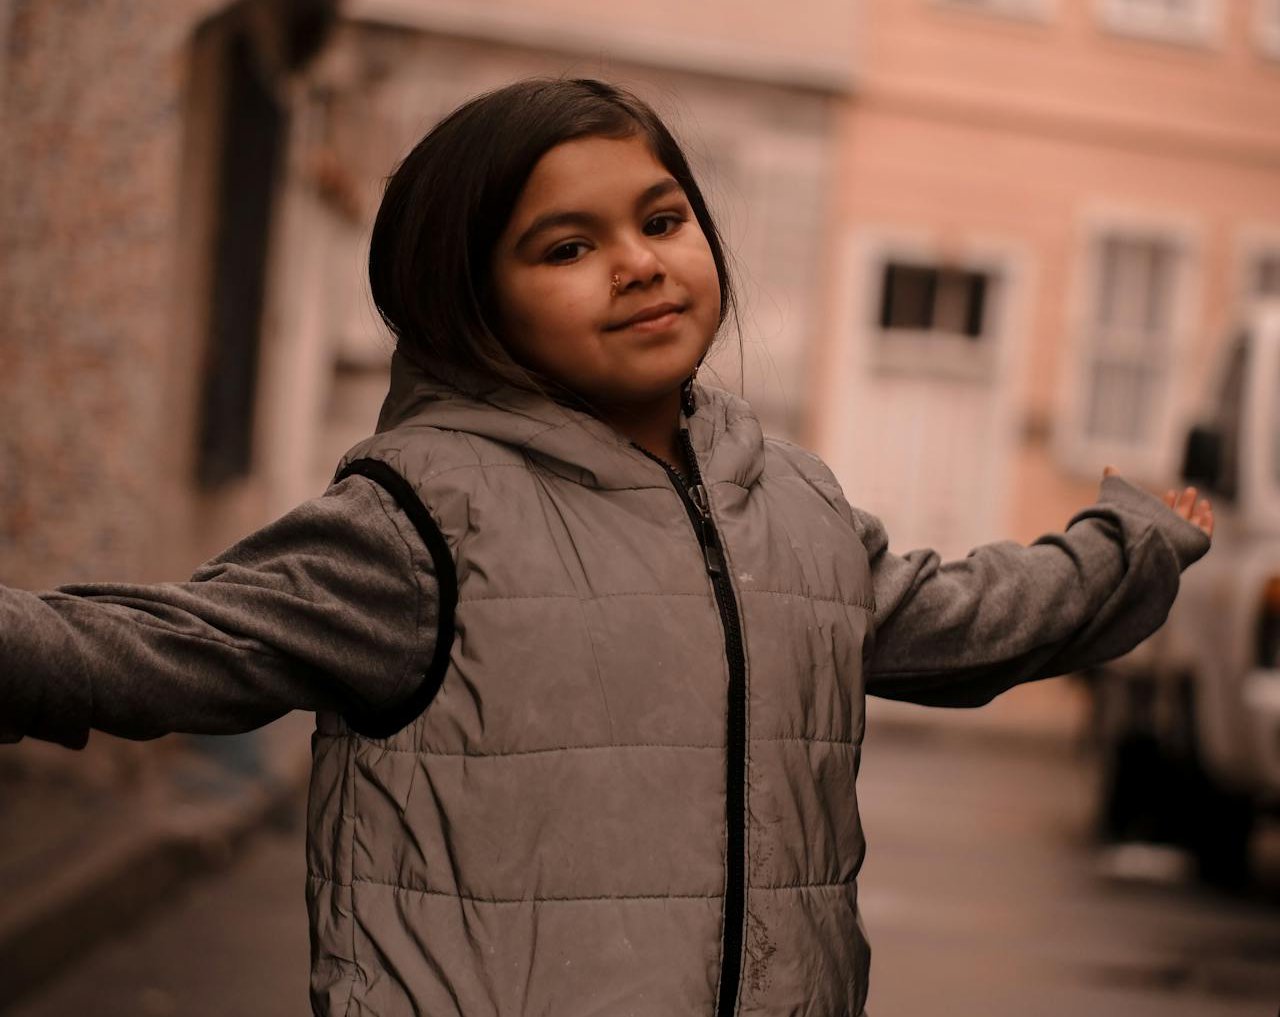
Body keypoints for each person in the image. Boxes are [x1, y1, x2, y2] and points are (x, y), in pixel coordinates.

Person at [1, 78, 1213, 1017]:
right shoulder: (426, 521)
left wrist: (1128, 544)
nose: (637, 262)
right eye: (565, 247)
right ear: (467, 303)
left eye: (661, 218)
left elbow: (961, 621)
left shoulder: (788, 505)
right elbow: (171, 643)